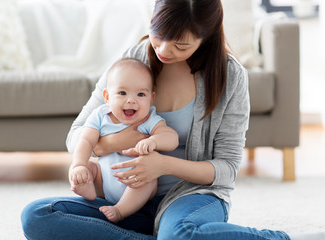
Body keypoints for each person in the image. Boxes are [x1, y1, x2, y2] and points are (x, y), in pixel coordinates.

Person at [21, 0, 325, 239]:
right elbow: (76, 134)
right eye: (159, 35)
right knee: (38, 215)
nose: (164, 50)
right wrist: (107, 145)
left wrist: (162, 165)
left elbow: (227, 170)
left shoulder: (230, 76)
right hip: (122, 200)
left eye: (181, 45)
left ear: (206, 37)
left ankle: (279, 238)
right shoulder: (135, 58)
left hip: (189, 198)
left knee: (180, 233)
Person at [69, 58, 178, 223]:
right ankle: (88, 188)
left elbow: (171, 138)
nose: (131, 100)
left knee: (147, 182)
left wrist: (154, 141)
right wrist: (79, 165)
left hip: (138, 182)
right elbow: (85, 141)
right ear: (106, 96)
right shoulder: (100, 116)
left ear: (151, 98)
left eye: (141, 94)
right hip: (104, 182)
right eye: (122, 93)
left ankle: (120, 210)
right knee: (89, 168)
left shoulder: (148, 119)